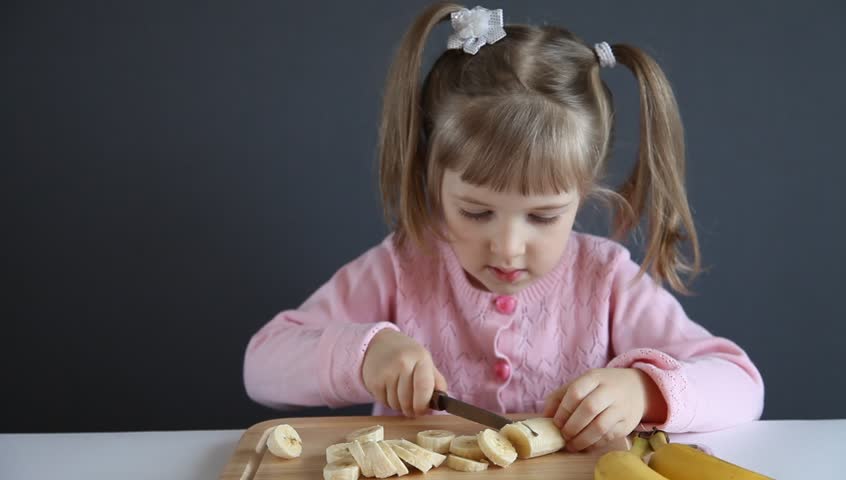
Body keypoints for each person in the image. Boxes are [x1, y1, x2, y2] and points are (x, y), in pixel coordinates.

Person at [243, 2, 764, 452]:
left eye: (542, 216)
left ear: (582, 194)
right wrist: (366, 356)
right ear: (430, 176)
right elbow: (262, 365)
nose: (508, 247)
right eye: (475, 212)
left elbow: (742, 384)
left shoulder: (604, 280)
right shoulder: (403, 266)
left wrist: (644, 391)